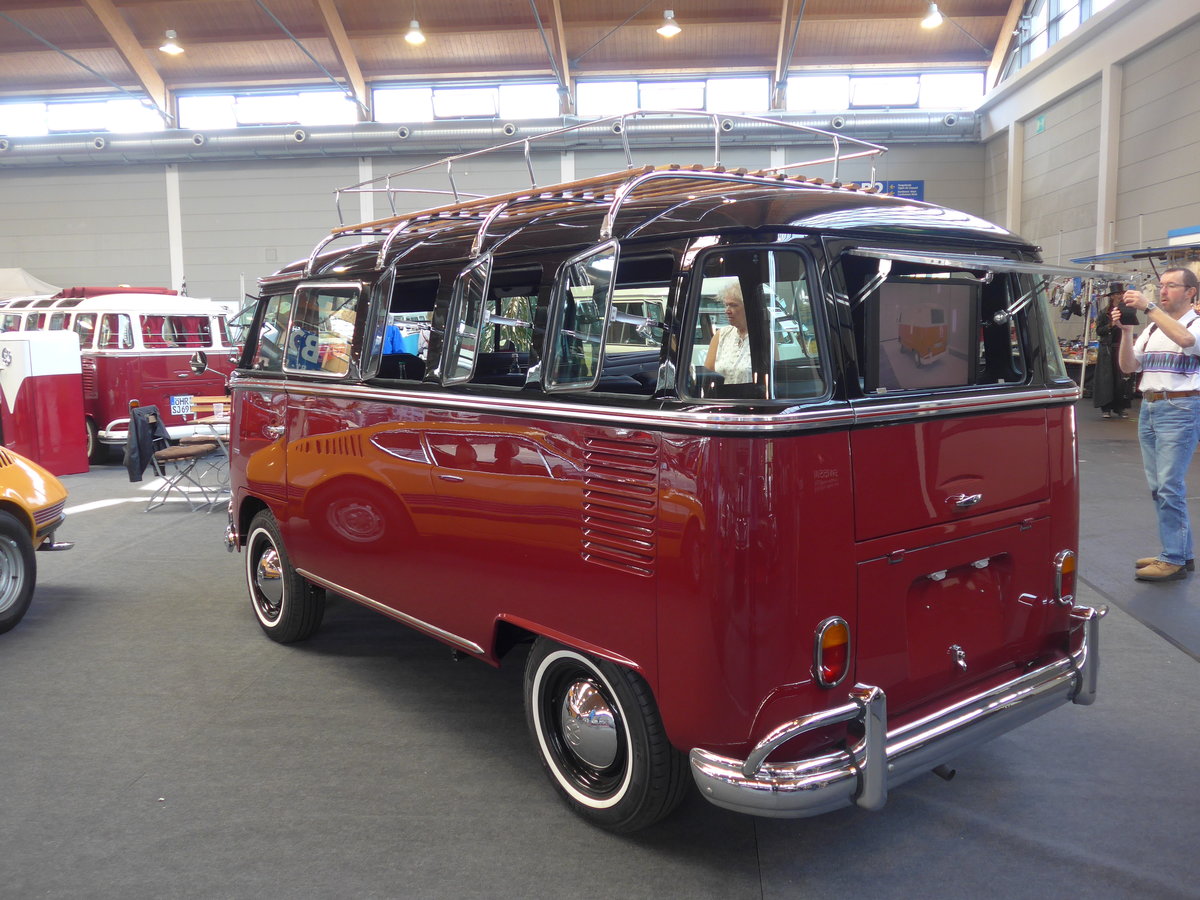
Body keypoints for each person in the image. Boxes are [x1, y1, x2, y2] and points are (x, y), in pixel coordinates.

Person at [1114, 267, 1200, 582]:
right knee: (1159, 486)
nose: (1162, 291)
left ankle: (1173, 557)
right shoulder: (1152, 329)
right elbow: (1128, 367)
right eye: (1161, 285)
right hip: (1151, 408)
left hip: (1180, 407)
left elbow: (1187, 340)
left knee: (1168, 485)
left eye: (1171, 285)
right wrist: (1126, 332)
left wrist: (1148, 307)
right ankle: (1178, 552)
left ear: (1191, 292)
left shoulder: (1194, 324)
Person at [1093, 282, 1134, 418]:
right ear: (1112, 296)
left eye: (1121, 293)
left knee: (1122, 380)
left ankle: (1120, 407)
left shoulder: (1127, 311)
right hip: (1107, 350)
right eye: (1117, 294)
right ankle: (1106, 408)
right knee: (1106, 380)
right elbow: (1099, 331)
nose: (1120, 296)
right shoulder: (1104, 313)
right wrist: (1110, 325)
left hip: (1121, 348)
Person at [704, 283, 752, 383]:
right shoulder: (721, 335)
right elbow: (708, 376)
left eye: (734, 305)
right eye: (726, 305)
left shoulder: (764, 338)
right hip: (721, 393)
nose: (727, 311)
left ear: (748, 306)